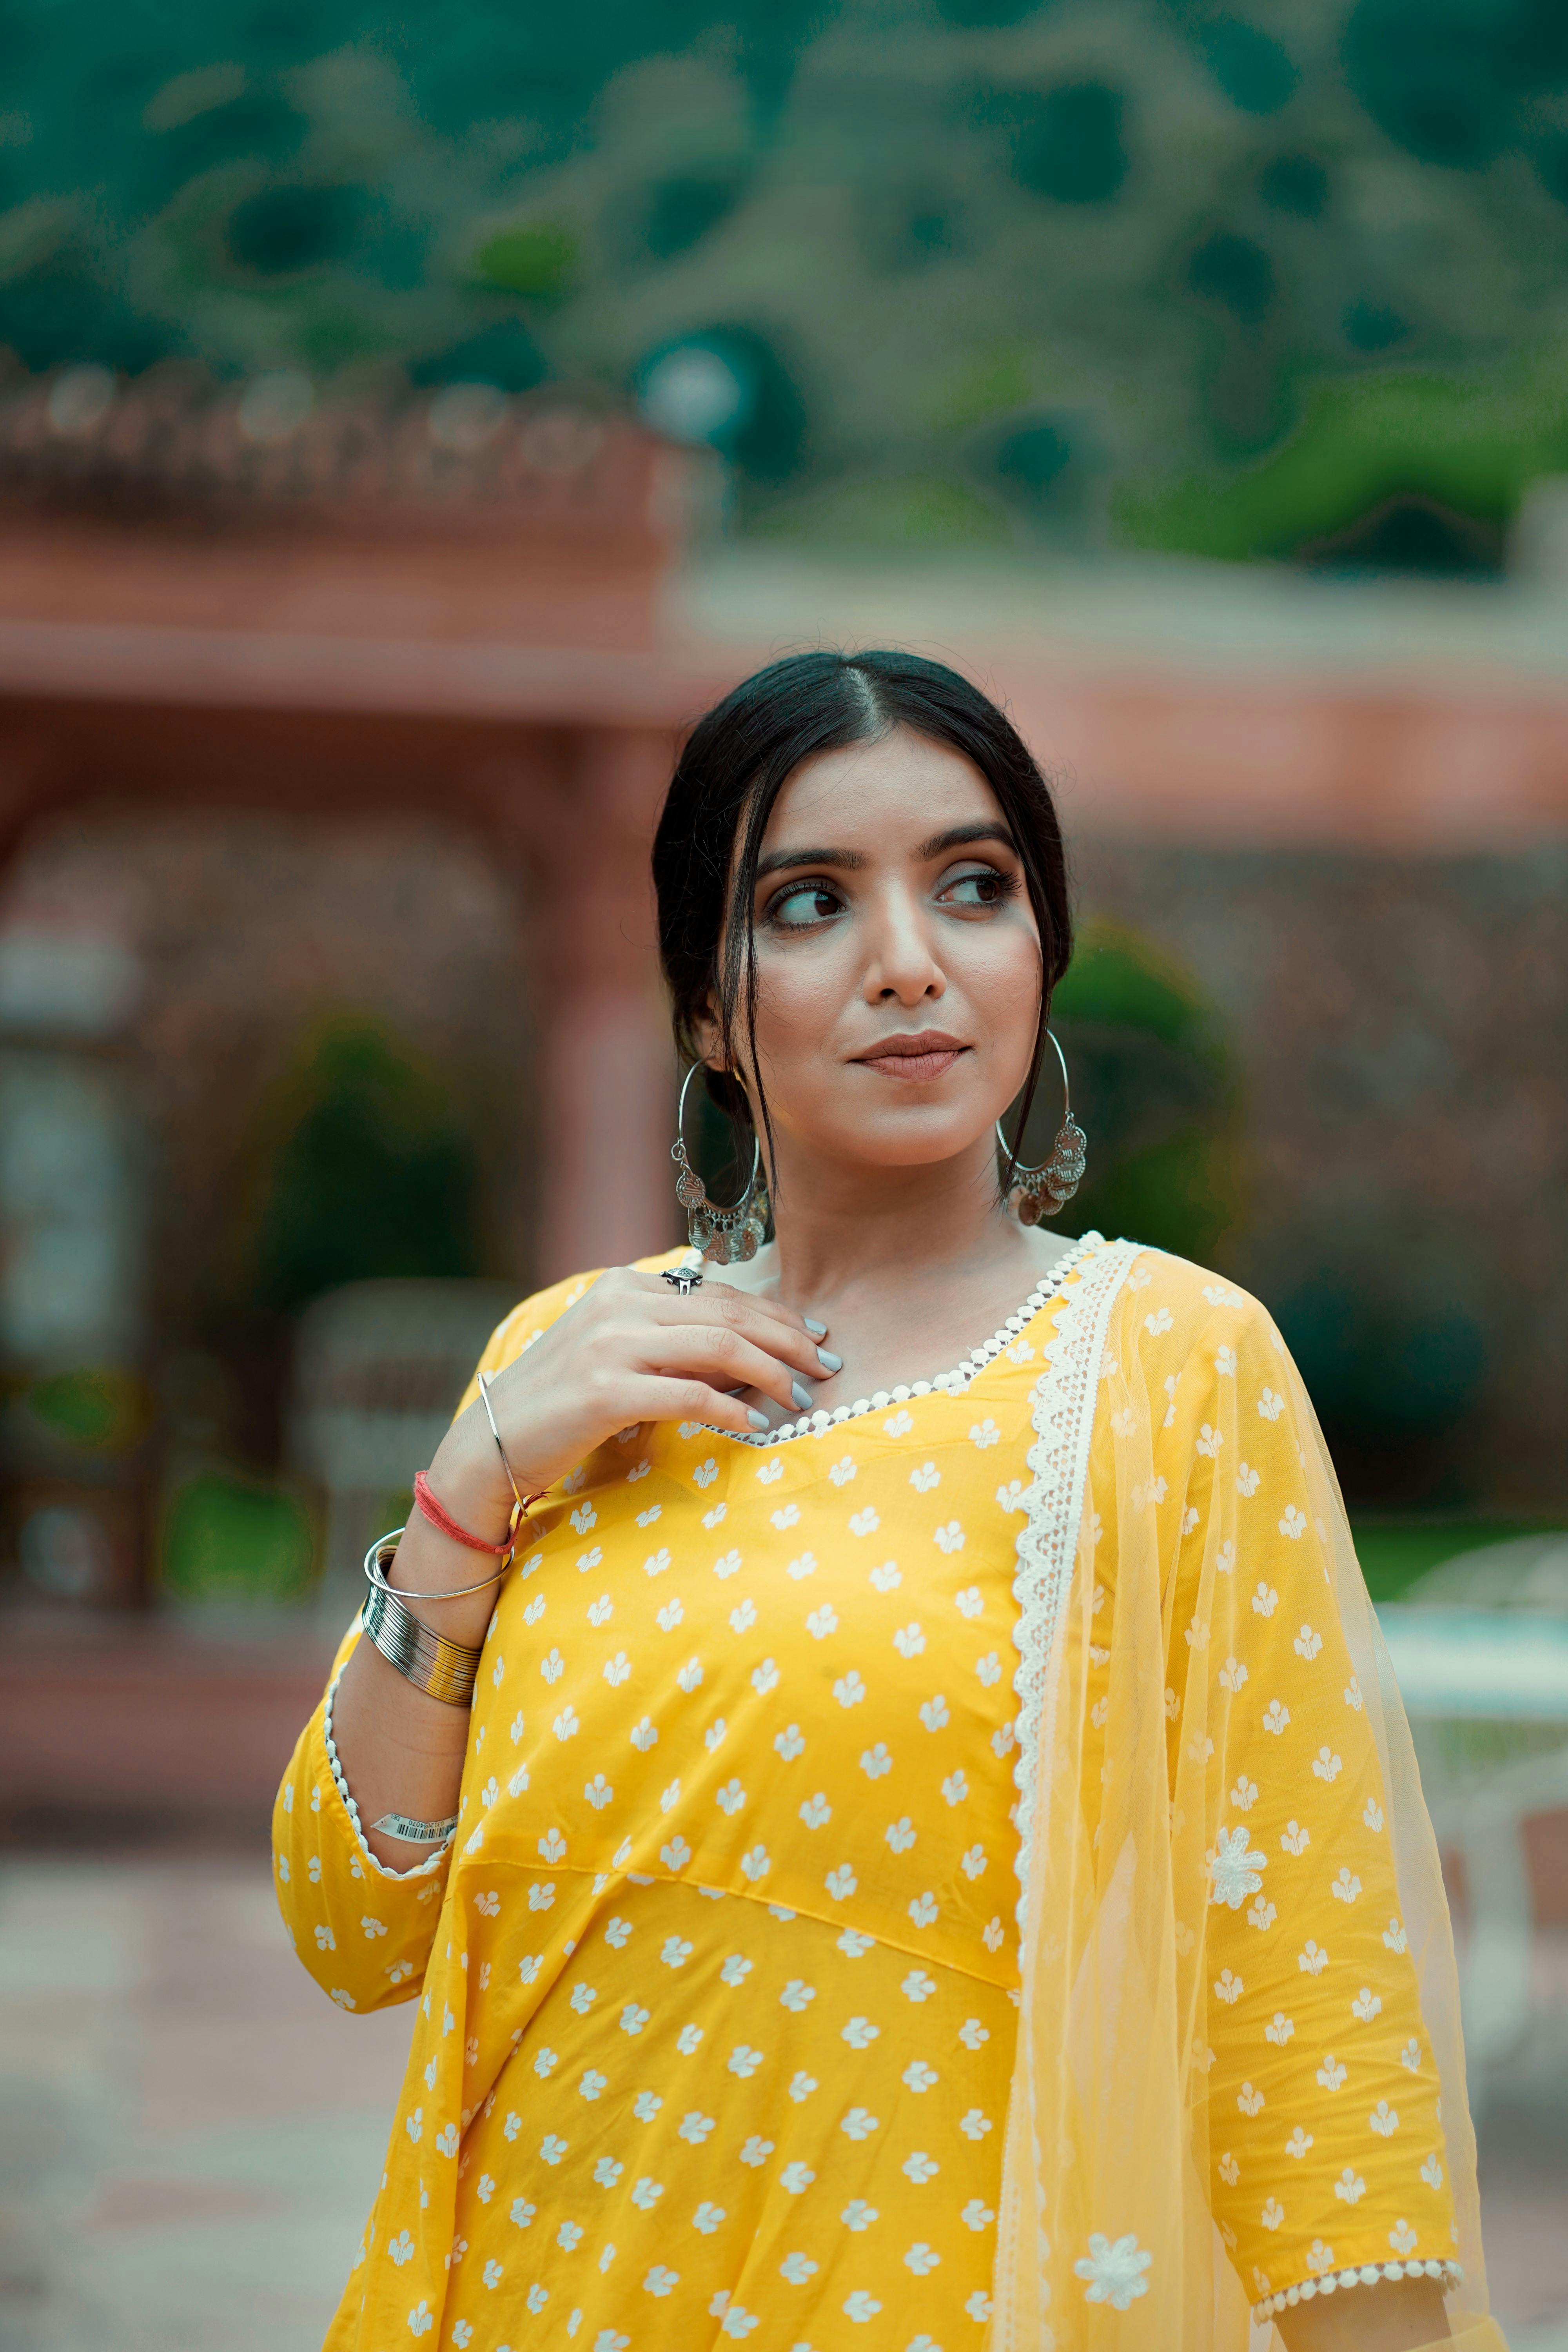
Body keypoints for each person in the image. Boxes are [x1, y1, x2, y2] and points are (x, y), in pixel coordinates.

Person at [274, 652, 1503, 2352]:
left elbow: (1301, 1981)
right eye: (807, 904)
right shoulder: (577, 1363)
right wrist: (471, 1495)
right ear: (705, 1007)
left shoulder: (1164, 1367)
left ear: (1036, 956)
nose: (908, 964)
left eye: (973, 887)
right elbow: (353, 1927)